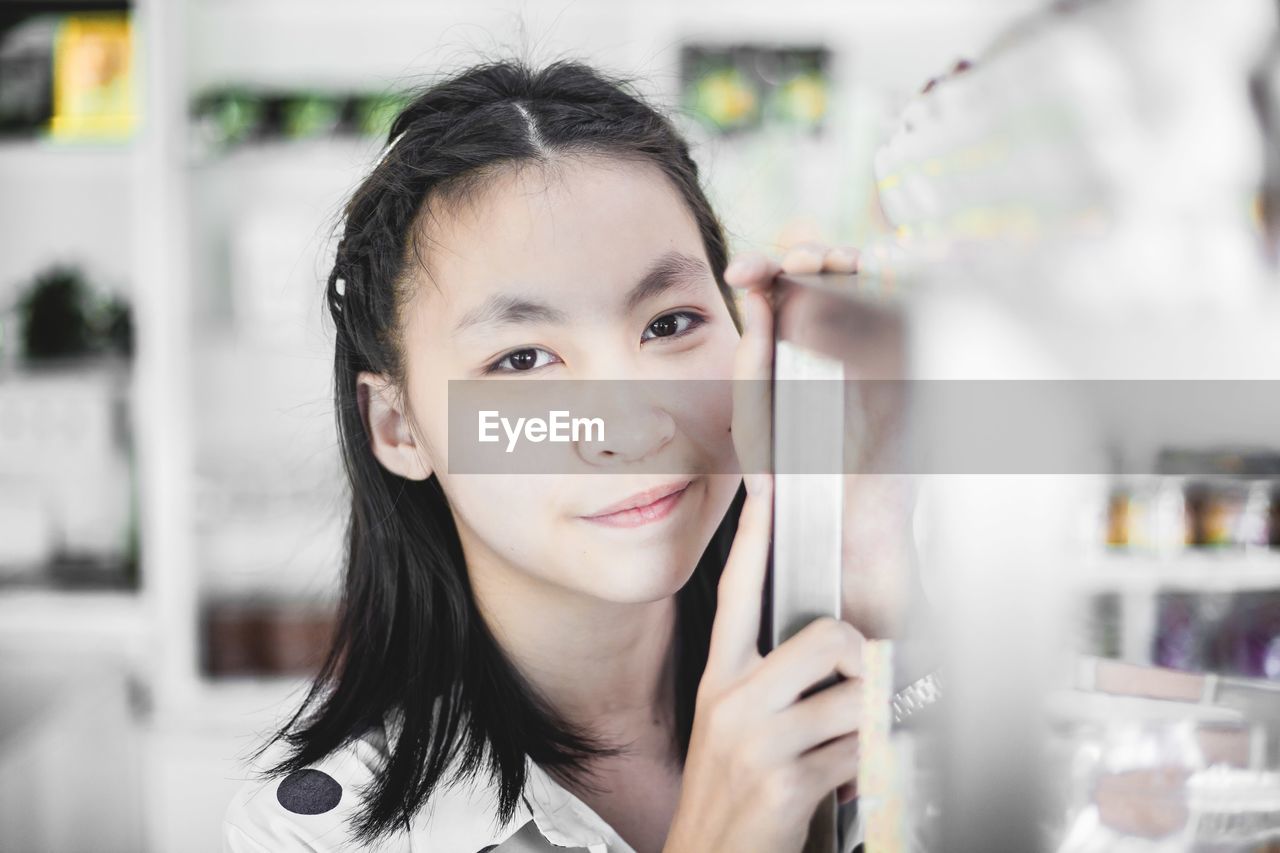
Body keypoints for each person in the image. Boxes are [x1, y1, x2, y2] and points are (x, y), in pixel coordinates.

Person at [222, 57, 865, 853]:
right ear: (399, 426)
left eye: (670, 324)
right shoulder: (306, 835)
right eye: (522, 359)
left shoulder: (867, 679)